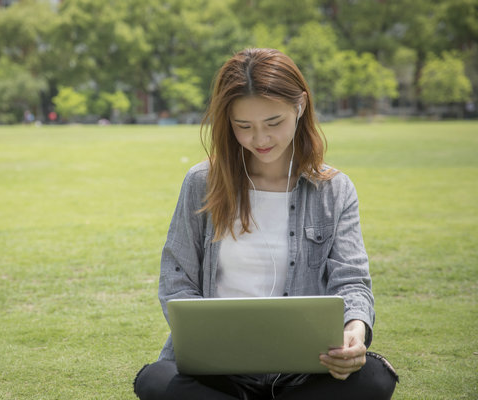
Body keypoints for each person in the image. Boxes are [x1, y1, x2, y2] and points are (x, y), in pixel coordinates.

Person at [133, 48, 398, 400]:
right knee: (154, 380)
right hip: (218, 373)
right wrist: (201, 339)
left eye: (273, 123)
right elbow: (176, 279)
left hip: (305, 372)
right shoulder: (201, 182)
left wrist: (355, 329)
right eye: (243, 126)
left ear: (300, 106)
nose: (260, 140)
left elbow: (352, 281)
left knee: (375, 378)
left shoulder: (334, 189)